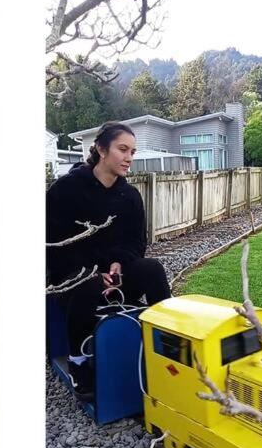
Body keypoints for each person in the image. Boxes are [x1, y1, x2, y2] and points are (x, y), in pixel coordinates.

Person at [46, 121, 171, 399]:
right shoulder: (65, 190)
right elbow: (53, 244)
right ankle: (79, 364)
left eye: (133, 152)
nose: (129, 158)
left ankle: (165, 347)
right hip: (73, 278)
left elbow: (137, 242)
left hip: (115, 277)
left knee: (152, 269)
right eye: (122, 149)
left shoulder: (130, 196)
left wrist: (119, 263)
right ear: (102, 149)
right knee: (88, 285)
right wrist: (91, 270)